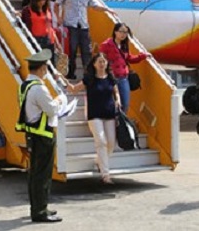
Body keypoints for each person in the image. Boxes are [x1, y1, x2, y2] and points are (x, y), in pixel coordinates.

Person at [15, 49, 65, 223]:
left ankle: (39, 207)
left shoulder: (24, 85)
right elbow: (51, 110)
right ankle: (39, 211)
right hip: (43, 136)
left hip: (32, 134)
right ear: (42, 68)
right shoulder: (39, 89)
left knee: (35, 173)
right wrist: (59, 101)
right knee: (42, 174)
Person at [67, 53, 121, 184]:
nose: (102, 64)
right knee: (101, 141)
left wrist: (118, 100)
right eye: (99, 62)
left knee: (111, 143)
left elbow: (116, 92)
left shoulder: (111, 78)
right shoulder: (89, 79)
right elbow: (74, 89)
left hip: (109, 114)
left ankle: (99, 161)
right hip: (94, 115)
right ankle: (105, 174)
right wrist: (63, 80)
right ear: (94, 64)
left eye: (104, 61)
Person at [55, 0, 115, 80]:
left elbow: (94, 6)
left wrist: (107, 9)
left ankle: (88, 75)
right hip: (70, 25)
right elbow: (57, 4)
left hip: (83, 26)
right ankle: (70, 73)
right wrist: (58, 18)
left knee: (86, 52)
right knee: (71, 51)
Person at [99, 22, 150, 113]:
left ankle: (121, 124)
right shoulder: (106, 44)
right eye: (121, 31)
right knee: (111, 104)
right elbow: (100, 60)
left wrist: (142, 56)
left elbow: (129, 58)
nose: (123, 34)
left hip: (123, 78)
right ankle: (113, 124)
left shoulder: (124, 45)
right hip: (110, 78)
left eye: (125, 32)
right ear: (115, 32)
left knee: (125, 104)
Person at [21, 0, 60, 65]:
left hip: (49, 40)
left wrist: (57, 42)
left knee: (51, 65)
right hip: (35, 40)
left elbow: (50, 27)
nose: (42, 2)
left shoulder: (47, 10)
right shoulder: (27, 11)